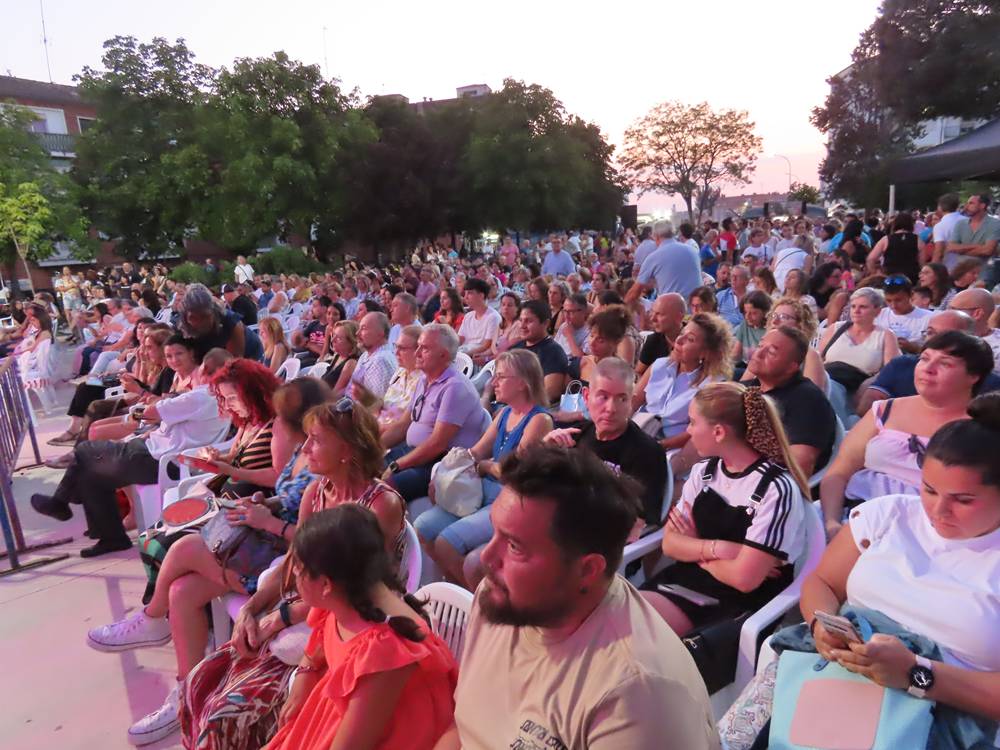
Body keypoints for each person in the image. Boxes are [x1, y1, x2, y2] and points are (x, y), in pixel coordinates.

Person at [729, 394, 1000, 747]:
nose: (937, 510)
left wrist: (916, 673)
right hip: (832, 679)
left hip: (939, 708)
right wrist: (821, 624)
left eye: (963, 500)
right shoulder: (888, 516)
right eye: (929, 489)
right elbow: (822, 583)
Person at [89, 378, 328, 747]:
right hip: (263, 545)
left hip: (283, 566)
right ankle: (186, 693)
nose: (303, 441)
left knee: (183, 548)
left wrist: (271, 522)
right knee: (183, 591)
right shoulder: (304, 453)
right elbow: (282, 494)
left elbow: (319, 544)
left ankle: (152, 619)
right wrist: (264, 506)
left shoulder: (325, 475)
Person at [437, 446, 719, 750]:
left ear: (587, 570)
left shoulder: (636, 697)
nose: (487, 559)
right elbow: (463, 728)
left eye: (515, 547)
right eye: (494, 532)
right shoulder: (499, 599)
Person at [264, 504, 457, 750]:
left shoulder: (384, 653)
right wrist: (305, 673)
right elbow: (321, 644)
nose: (294, 575)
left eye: (299, 569)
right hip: (337, 717)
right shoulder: (347, 596)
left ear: (325, 584)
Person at [640, 383, 809, 637]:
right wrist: (721, 549)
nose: (688, 431)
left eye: (693, 422)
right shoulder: (704, 472)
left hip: (735, 604)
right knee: (614, 618)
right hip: (685, 582)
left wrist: (696, 548)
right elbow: (670, 544)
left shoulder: (775, 489)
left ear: (718, 432)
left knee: (635, 633)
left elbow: (744, 579)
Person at [30, 349, 233, 557]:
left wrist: (138, 412)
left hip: (155, 459)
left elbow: (151, 412)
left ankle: (61, 501)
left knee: (84, 450)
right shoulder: (222, 397)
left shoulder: (200, 396)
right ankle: (110, 537)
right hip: (166, 456)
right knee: (91, 473)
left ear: (205, 370)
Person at [819, 331, 994, 540]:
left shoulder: (982, 429)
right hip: (854, 512)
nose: (928, 369)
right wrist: (832, 522)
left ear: (974, 376)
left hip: (931, 530)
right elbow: (839, 472)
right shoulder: (885, 410)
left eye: (945, 363)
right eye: (925, 359)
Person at [415, 349, 552, 587]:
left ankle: (480, 602)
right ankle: (459, 589)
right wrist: (442, 476)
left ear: (522, 383)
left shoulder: (540, 420)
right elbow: (476, 452)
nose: (493, 382)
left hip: (509, 498)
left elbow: (514, 472)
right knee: (422, 528)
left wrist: (486, 466)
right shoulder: (504, 413)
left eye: (501, 376)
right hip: (483, 492)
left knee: (446, 543)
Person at [381, 324, 486, 502]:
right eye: (418, 346)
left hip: (439, 463)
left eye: (425, 348)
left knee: (382, 491)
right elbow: (402, 426)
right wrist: (371, 449)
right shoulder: (424, 380)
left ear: (443, 355)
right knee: (364, 467)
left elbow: (437, 444)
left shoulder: (454, 387)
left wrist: (397, 465)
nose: (417, 353)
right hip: (415, 451)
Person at [633, 313, 734, 457]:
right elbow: (634, 401)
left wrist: (657, 447)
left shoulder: (712, 385)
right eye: (682, 333)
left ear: (704, 353)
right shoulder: (659, 365)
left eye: (690, 339)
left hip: (674, 450)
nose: (679, 340)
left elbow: (692, 434)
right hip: (640, 431)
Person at [743, 327, 837, 477]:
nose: (758, 354)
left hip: (771, 488)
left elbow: (801, 466)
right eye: (760, 346)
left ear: (791, 367)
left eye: (772, 352)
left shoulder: (807, 400)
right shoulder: (746, 389)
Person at [819, 287, 901, 393]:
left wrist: (869, 383)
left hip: (858, 386)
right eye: (853, 306)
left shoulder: (885, 335)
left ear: (877, 311)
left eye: (863, 307)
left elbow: (890, 370)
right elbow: (818, 358)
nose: (856, 311)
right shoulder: (836, 329)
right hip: (827, 378)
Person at [180, 283, 264, 362]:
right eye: (193, 318)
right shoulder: (184, 328)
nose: (200, 322)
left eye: (205, 316)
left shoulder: (230, 322)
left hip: (250, 357)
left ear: (214, 311)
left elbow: (235, 362)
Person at [509, 300, 570, 404]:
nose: (522, 326)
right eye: (521, 320)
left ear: (546, 323)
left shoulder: (553, 352)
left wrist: (515, 408)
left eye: (528, 321)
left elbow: (551, 393)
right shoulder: (515, 349)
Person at [628, 220, 702, 302]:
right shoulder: (692, 251)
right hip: (697, 307)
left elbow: (634, 292)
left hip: (672, 309)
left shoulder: (654, 257)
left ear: (655, 236)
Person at [946, 194, 1000, 284]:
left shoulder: (994, 224)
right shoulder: (960, 224)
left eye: (971, 203)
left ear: (982, 206)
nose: (966, 206)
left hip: (982, 276)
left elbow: (988, 251)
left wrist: (960, 249)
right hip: (961, 275)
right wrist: (978, 246)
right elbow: (950, 247)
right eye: (967, 203)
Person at [874, 275, 933, 354]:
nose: (893, 305)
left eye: (898, 300)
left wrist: (913, 348)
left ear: (911, 295)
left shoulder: (929, 317)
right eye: (889, 301)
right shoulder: (879, 315)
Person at [378, 324, 422, 426]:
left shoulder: (424, 380)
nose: (396, 352)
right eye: (396, 346)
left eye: (402, 348)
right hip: (382, 424)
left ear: (418, 351)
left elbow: (406, 422)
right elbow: (385, 404)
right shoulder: (400, 372)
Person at [349, 311, 397, 403]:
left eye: (363, 328)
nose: (357, 333)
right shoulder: (366, 355)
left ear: (380, 333)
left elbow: (376, 404)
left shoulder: (381, 361)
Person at [949, 287, 1000, 372]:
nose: (946, 314)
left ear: (977, 313)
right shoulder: (944, 333)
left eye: (953, 310)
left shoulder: (996, 350)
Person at [636, 292, 685, 377]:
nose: (652, 319)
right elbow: (639, 371)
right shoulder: (653, 340)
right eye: (652, 312)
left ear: (678, 317)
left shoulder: (693, 340)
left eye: (659, 314)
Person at [866, 212, 922, 283]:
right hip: (911, 278)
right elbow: (922, 263)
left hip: (890, 278)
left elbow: (870, 259)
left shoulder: (886, 239)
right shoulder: (918, 240)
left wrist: (875, 273)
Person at [457, 278, 501, 364]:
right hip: (464, 353)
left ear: (481, 295)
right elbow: (460, 339)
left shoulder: (493, 317)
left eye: (470, 293)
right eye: (465, 293)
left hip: (477, 358)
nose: (465, 297)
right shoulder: (468, 316)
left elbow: (486, 345)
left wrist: (465, 354)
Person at [320, 320, 360, 396]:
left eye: (339, 338)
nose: (332, 340)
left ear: (351, 342)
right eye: (333, 335)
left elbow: (335, 394)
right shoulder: (338, 356)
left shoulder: (351, 363)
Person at [732, 290, 772, 364]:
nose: (747, 317)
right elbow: (735, 355)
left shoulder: (770, 330)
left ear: (765, 312)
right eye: (745, 312)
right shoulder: (745, 325)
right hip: (745, 366)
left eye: (753, 313)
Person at [554, 292, 590, 362]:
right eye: (565, 311)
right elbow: (554, 348)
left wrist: (569, 336)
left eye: (571, 312)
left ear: (583, 312)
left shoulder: (589, 332)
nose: (566, 316)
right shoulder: (564, 326)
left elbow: (582, 360)